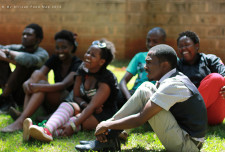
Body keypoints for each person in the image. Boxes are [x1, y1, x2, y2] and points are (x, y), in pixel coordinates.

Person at [75, 44, 207, 152]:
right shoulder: (172, 78)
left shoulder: (173, 84)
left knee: (147, 96)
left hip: (188, 146)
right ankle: (109, 138)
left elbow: (140, 119)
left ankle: (108, 136)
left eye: (149, 63)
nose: (145, 67)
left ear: (164, 65)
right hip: (182, 136)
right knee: (145, 88)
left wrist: (106, 123)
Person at [23, 39, 119, 142]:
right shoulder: (83, 69)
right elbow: (76, 96)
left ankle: (34, 135)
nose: (87, 56)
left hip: (101, 114)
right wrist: (84, 105)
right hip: (86, 107)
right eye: (88, 52)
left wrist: (73, 126)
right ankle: (46, 129)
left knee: (72, 122)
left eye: (93, 55)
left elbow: (93, 107)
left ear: (102, 61)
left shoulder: (106, 80)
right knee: (67, 105)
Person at [0, 30, 82, 133]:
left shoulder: (77, 63)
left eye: (64, 47)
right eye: (57, 47)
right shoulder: (55, 59)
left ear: (71, 47)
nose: (60, 50)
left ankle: (22, 119)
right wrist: (28, 82)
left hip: (66, 103)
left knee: (41, 86)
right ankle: (25, 117)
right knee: (37, 74)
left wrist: (39, 86)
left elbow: (63, 85)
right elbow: (39, 73)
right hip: (52, 99)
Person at [176, 31, 225, 125]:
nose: (183, 48)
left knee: (217, 79)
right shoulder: (176, 66)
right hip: (187, 106)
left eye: (187, 45)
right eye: (180, 46)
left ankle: (191, 116)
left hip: (212, 114)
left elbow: (223, 71)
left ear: (197, 46)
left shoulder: (210, 59)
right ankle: (191, 115)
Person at [0, 23, 49, 113]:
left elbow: (29, 60)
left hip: (29, 93)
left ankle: (4, 98)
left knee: (23, 65)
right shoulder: (18, 48)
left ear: (38, 40)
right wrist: (7, 55)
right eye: (23, 34)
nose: (25, 37)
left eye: (29, 35)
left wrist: (8, 55)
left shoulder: (43, 54)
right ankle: (7, 100)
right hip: (14, 90)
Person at [118, 27, 166, 108]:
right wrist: (128, 98)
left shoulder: (170, 60)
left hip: (153, 96)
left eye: (155, 41)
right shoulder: (139, 57)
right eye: (148, 40)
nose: (150, 44)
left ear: (163, 43)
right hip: (134, 93)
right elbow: (123, 81)